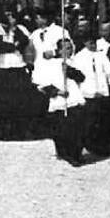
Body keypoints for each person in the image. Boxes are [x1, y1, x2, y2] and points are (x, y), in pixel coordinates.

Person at [0, 8, 31, 139]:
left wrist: (14, 38)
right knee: (1, 101)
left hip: (17, 66)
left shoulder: (20, 29)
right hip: (0, 67)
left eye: (12, 16)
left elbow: (25, 42)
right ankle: (1, 130)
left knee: (17, 100)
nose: (10, 19)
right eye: (7, 15)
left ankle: (17, 131)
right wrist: (14, 45)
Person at [36, 38, 87, 166]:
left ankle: (76, 153)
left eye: (70, 48)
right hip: (59, 100)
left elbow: (82, 77)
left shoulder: (74, 62)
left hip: (74, 99)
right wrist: (58, 92)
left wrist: (69, 71)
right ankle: (66, 153)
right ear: (58, 50)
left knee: (77, 128)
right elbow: (42, 85)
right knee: (63, 129)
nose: (68, 51)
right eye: (65, 48)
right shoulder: (51, 64)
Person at [72, 30, 110, 156]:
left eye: (94, 43)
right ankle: (89, 144)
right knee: (90, 121)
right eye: (90, 43)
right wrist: (89, 92)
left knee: (102, 120)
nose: (93, 46)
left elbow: (108, 71)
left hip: (101, 91)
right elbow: (79, 78)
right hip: (88, 92)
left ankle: (101, 145)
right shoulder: (79, 57)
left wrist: (108, 87)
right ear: (84, 43)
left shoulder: (101, 55)